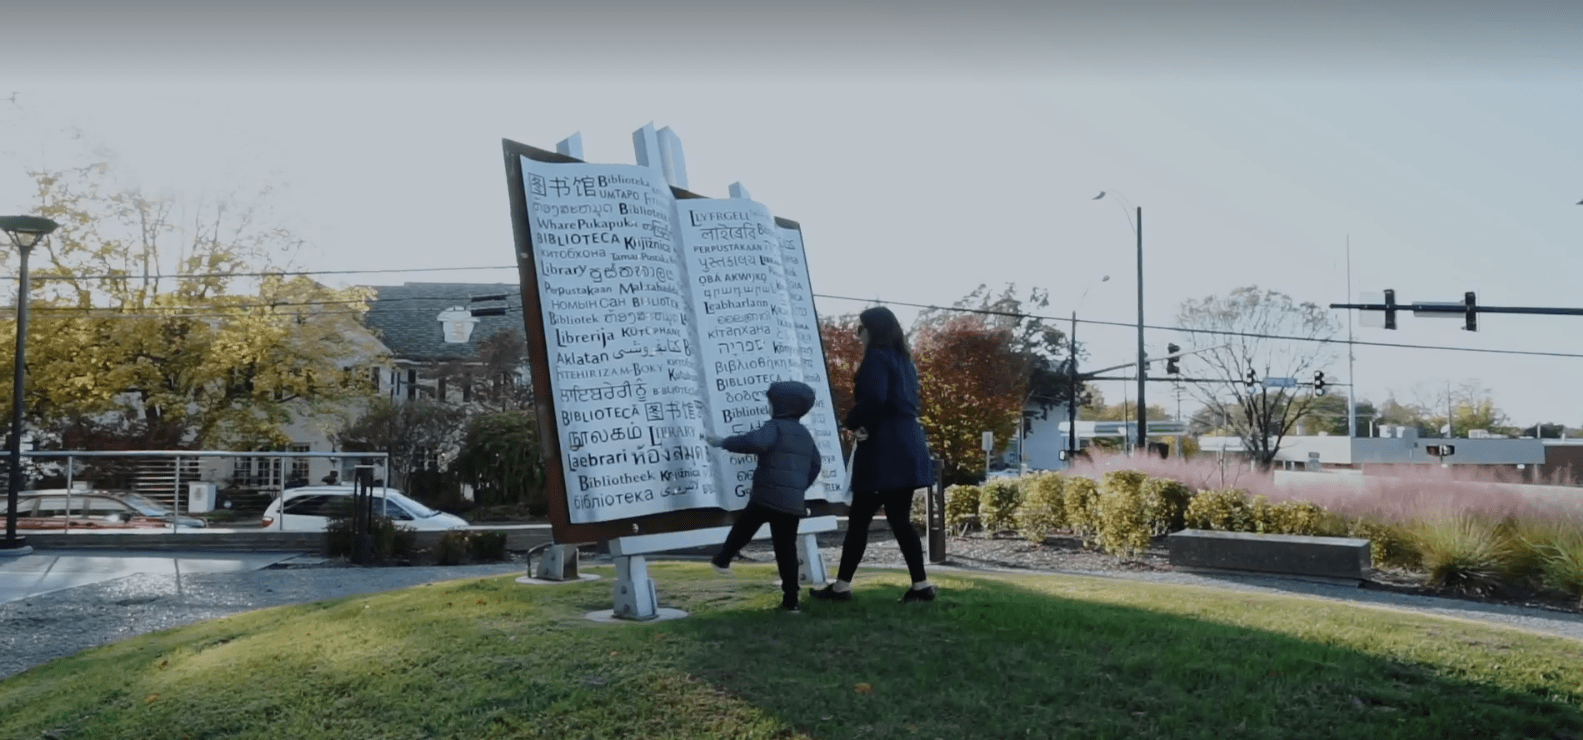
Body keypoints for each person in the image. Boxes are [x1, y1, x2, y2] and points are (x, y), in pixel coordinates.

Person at [811, 305, 938, 603]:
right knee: (899, 519)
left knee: (859, 520)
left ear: (873, 330)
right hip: (907, 443)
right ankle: (921, 586)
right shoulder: (905, 361)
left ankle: (841, 587)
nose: (857, 335)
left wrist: (853, 423)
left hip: (885, 449)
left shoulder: (876, 359)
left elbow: (876, 400)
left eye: (861, 328)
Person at [705, 380, 823, 612]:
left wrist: (724, 442)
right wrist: (798, 487)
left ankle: (724, 558)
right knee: (786, 548)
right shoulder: (804, 434)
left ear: (780, 406)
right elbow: (815, 464)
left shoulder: (775, 426)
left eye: (770, 402)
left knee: (744, 528)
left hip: (766, 496)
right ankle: (791, 601)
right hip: (791, 503)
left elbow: (754, 442)